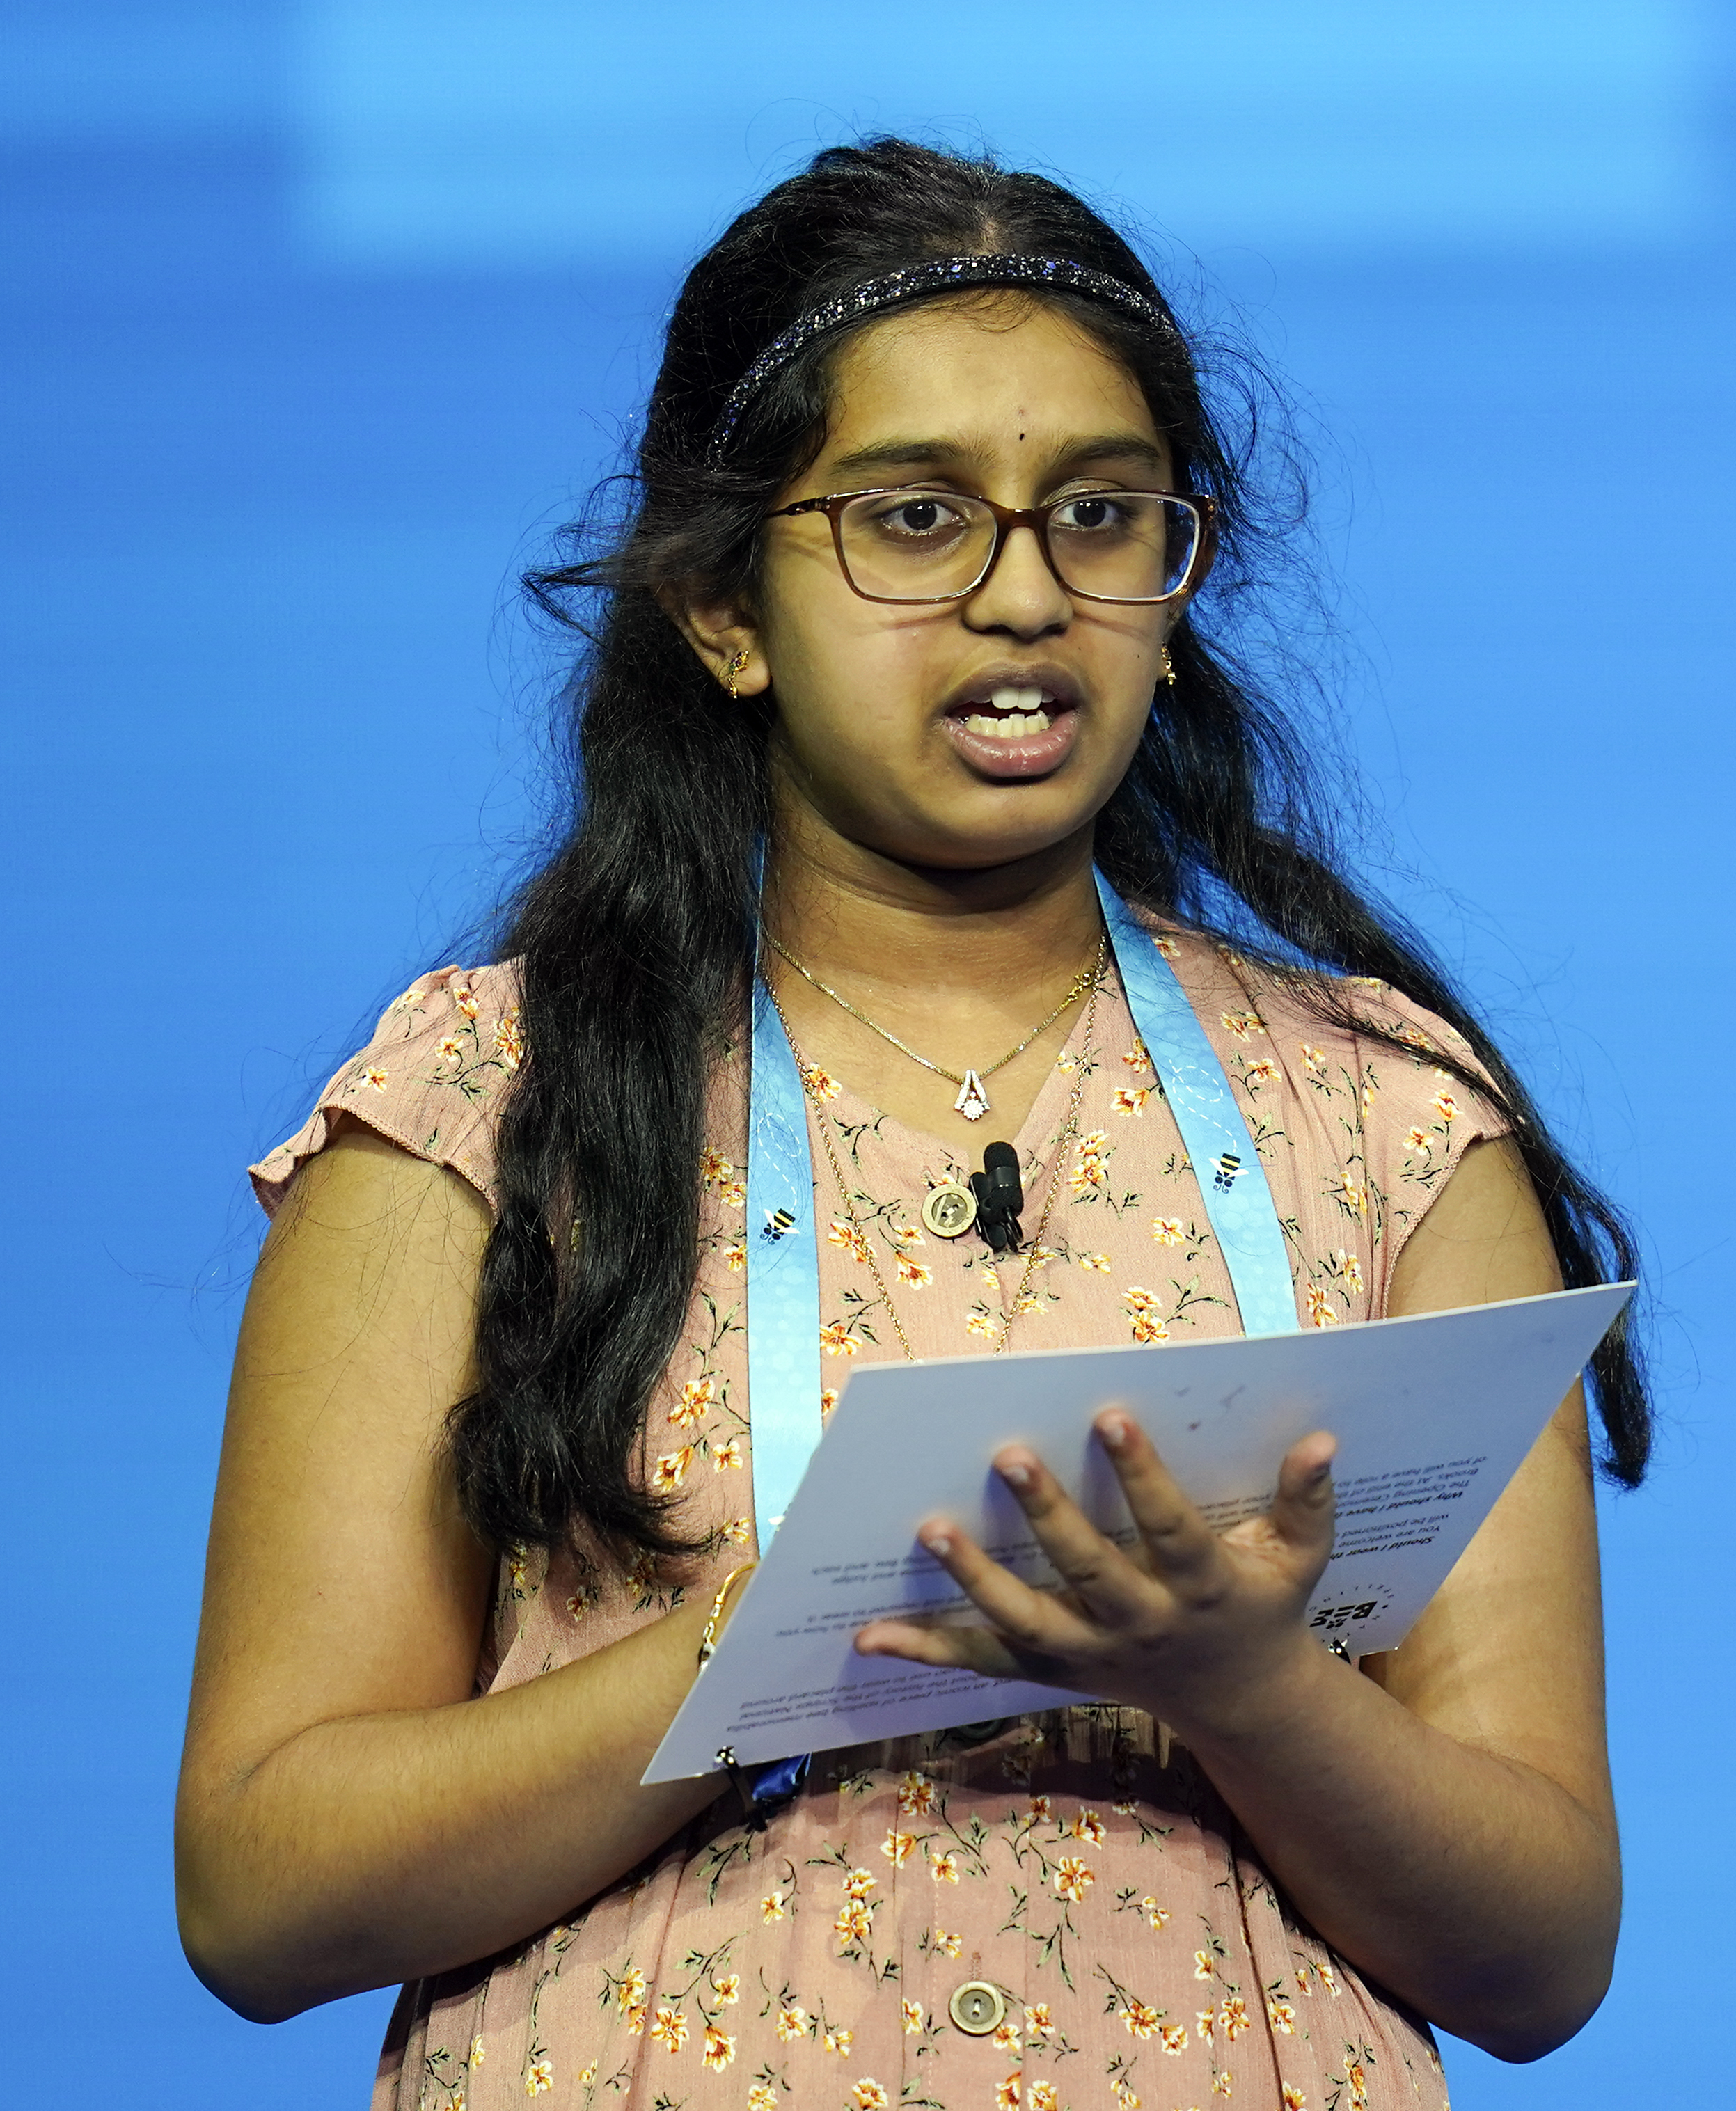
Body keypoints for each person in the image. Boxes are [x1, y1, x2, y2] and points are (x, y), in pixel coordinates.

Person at [175, 138, 1650, 2111]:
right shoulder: (474, 1115)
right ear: (722, 603)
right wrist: (760, 1646)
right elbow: (259, 1889)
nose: (1023, 592)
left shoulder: (1388, 1123)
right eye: (912, 516)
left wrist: (1247, 1685)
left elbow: (1544, 1949)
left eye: (1102, 516)